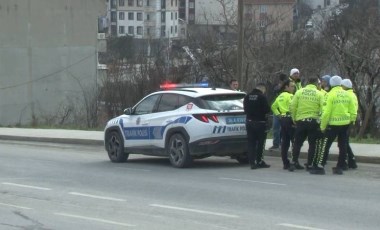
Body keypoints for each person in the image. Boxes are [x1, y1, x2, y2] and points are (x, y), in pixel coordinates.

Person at [310, 76, 357, 175]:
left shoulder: (330, 95)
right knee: (343, 145)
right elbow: (353, 110)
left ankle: (320, 167)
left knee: (325, 145)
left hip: (333, 125)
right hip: (345, 124)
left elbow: (326, 112)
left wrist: (323, 126)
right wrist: (351, 122)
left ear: (331, 84)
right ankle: (340, 166)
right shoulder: (348, 94)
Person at [290, 77, 324, 171]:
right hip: (313, 122)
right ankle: (309, 164)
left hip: (301, 121)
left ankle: (294, 162)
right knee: (312, 144)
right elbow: (323, 109)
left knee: (297, 143)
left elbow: (292, 106)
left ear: (308, 82)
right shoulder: (319, 94)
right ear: (316, 84)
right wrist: (320, 121)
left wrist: (294, 118)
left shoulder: (299, 92)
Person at [243, 83, 271, 169]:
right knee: (260, 143)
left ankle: (252, 162)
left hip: (249, 122)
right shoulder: (262, 97)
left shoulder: (247, 96)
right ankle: (259, 160)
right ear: (262, 89)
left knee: (251, 143)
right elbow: (267, 109)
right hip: (260, 123)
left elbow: (245, 109)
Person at [271, 80, 296, 170]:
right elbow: (292, 107)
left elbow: (273, 106)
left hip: (283, 119)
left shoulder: (280, 96)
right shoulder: (291, 96)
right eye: (292, 86)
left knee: (285, 142)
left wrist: (279, 115)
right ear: (286, 87)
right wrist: (294, 119)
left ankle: (285, 162)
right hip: (290, 119)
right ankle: (294, 162)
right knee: (294, 142)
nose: (293, 88)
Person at [341, 79, 358, 169]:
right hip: (350, 121)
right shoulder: (353, 94)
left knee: (344, 143)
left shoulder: (348, 95)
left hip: (347, 122)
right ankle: (350, 160)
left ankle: (350, 160)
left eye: (341, 85)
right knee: (345, 142)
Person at [269, 73, 287, 151]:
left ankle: (283, 144)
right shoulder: (277, 87)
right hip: (277, 110)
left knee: (284, 129)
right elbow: (274, 93)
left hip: (285, 111)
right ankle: (276, 144)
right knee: (276, 128)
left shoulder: (288, 88)